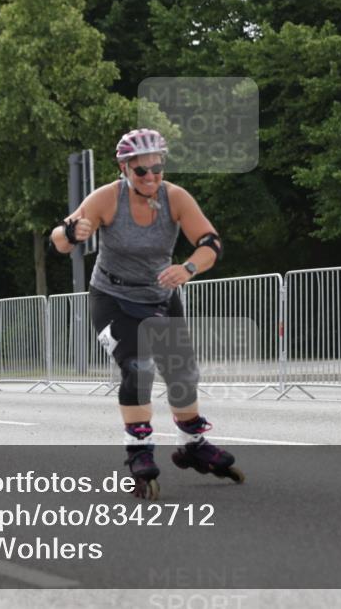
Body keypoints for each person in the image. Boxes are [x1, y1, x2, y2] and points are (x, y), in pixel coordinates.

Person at [50, 128, 243, 499]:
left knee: (182, 370)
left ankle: (193, 444)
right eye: (142, 171)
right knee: (138, 366)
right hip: (112, 297)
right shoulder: (107, 198)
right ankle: (138, 449)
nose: (152, 177)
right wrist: (73, 232)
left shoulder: (176, 198)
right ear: (124, 168)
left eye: (158, 168)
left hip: (159, 295)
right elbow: (58, 238)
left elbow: (211, 243)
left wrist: (187, 269)